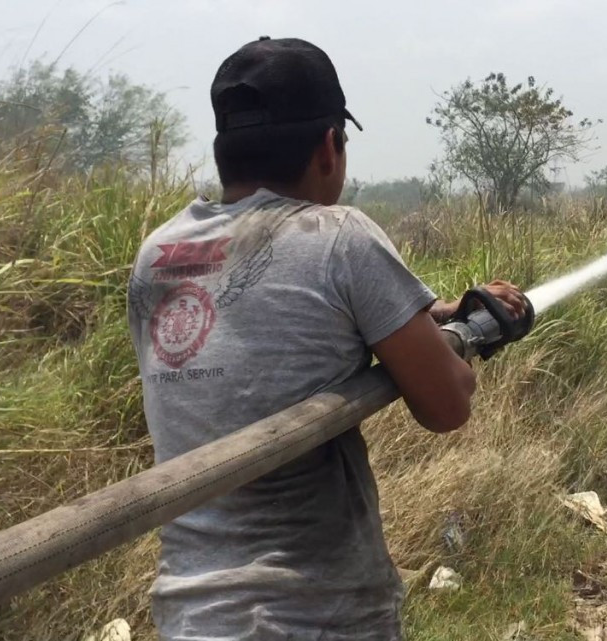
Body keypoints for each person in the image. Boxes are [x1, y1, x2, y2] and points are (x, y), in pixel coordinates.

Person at [126, 36, 525, 641]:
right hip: (319, 613)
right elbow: (448, 404)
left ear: (225, 152)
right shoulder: (339, 234)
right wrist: (471, 335)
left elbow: (272, 318)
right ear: (329, 146)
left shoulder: (159, 254)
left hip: (191, 615)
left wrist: (433, 309)